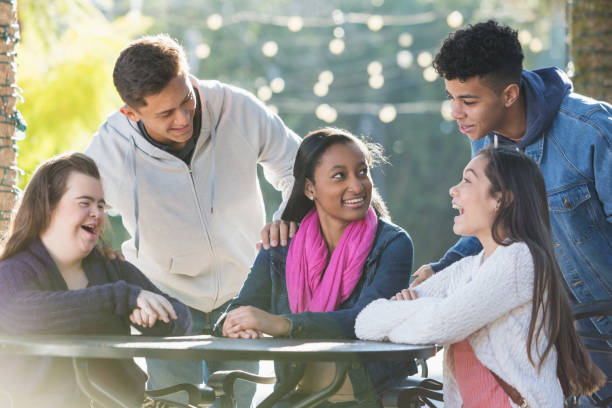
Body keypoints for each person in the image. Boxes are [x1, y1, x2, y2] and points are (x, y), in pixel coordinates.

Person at [84, 34, 301, 405]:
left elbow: (300, 166)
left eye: (187, 100)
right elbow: (77, 207)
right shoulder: (109, 148)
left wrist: (287, 217)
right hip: (165, 299)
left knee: (235, 401)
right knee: (172, 403)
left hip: (244, 291)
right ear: (131, 113)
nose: (183, 118)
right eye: (165, 114)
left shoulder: (237, 108)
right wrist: (101, 251)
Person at [409, 20, 612, 405]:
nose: (456, 112)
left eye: (468, 101)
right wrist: (440, 269)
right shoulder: (486, 140)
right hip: (553, 338)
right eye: (451, 97)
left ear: (509, 94)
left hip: (604, 330)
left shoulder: (591, 131)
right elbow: (490, 224)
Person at [356, 147, 605, 407]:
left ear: (501, 199)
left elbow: (440, 326)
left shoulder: (520, 259)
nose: (454, 190)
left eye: (467, 180)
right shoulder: (468, 268)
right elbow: (365, 322)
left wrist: (420, 310)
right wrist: (435, 313)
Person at [215, 127, 416, 407]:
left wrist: (282, 324)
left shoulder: (392, 244)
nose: (357, 186)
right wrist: (234, 324)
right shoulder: (281, 245)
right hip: (295, 395)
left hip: (365, 397)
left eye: (362, 172)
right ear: (310, 188)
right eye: (339, 176)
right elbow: (237, 310)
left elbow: (366, 320)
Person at [0, 152, 191, 408]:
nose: (97, 214)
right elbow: (20, 314)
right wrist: (121, 298)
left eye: (101, 205)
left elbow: (182, 317)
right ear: (48, 206)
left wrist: (155, 318)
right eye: (85, 203)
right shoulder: (13, 270)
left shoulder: (111, 267)